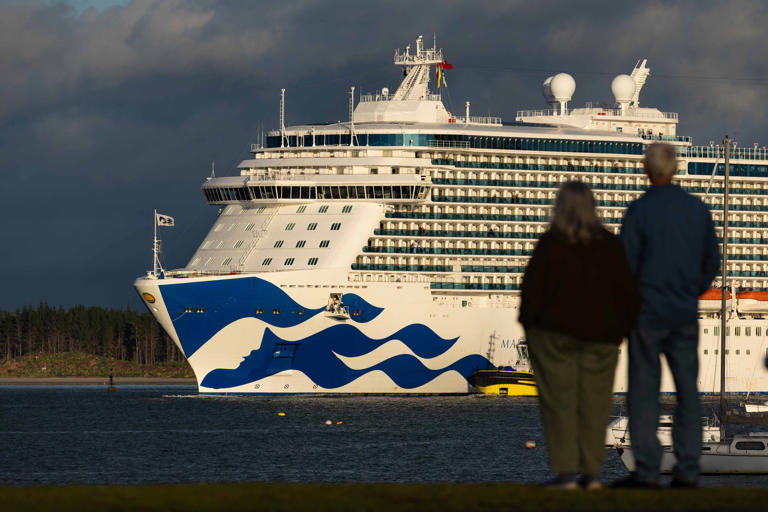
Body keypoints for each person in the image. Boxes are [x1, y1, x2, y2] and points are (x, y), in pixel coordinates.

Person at [520, 181, 639, 490]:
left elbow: (531, 291)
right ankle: (592, 475)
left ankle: (567, 475)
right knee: (595, 404)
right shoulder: (609, 245)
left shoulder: (550, 243)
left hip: (554, 337)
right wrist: (619, 330)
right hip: (601, 337)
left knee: (559, 404)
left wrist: (531, 328)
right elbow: (627, 291)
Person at [618, 143, 720, 488]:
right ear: (676, 170)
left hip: (646, 315)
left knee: (644, 393)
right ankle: (688, 470)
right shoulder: (697, 210)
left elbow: (625, 268)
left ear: (646, 170)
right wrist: (691, 292)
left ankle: (646, 472)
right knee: (688, 392)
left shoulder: (638, 211)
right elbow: (712, 264)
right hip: (683, 313)